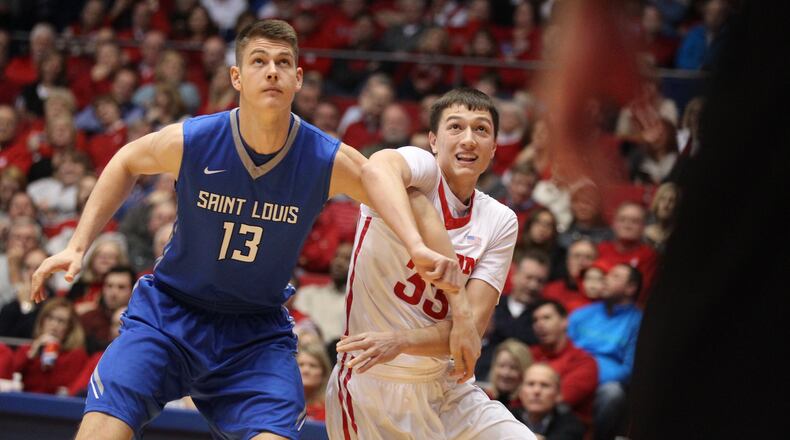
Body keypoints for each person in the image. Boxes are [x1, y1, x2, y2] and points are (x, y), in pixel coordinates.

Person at [31, 20, 459, 440]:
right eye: (258, 61)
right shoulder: (198, 139)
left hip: (254, 334)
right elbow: (126, 159)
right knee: (101, 430)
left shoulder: (324, 158)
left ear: (298, 78)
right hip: (169, 315)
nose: (272, 70)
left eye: (282, 62)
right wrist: (77, 245)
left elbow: (393, 186)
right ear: (236, 76)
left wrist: (417, 246)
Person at [328, 88, 536, 439]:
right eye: (456, 127)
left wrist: (401, 340)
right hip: (374, 385)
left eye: (481, 130)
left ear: (495, 149)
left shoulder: (501, 220)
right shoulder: (420, 170)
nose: (469, 139)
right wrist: (415, 244)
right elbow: (376, 168)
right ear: (433, 141)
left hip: (447, 387)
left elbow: (467, 332)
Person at [568, 264, 643, 440]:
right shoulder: (582, 314)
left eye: (615, 276)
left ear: (630, 288)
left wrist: (591, 377)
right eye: (607, 275)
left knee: (613, 394)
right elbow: (565, 349)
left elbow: (630, 369)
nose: (606, 279)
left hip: (604, 384)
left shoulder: (638, 322)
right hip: (573, 374)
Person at [530, 300, 598, 420]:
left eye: (546, 318)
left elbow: (558, 399)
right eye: (535, 320)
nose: (539, 324)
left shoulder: (584, 362)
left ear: (564, 321)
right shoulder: (529, 354)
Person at [11, 297, 88, 394]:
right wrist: (32, 353)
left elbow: (71, 389)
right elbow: (10, 375)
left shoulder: (76, 355)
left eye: (61, 321)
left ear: (69, 328)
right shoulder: (26, 350)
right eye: (50, 318)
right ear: (42, 321)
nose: (54, 325)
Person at [490, 251, 550, 347]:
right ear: (514, 275)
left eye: (540, 281)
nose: (533, 286)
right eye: (529, 278)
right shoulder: (492, 304)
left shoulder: (545, 315)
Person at [514, 363, 585, 440]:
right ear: (520, 392)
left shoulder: (572, 425)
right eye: (530, 384)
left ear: (558, 394)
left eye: (545, 385)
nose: (536, 391)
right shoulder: (508, 416)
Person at [486, 338, 535, 410]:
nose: (505, 373)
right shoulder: (484, 400)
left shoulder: (531, 408)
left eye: (513, 368)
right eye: (501, 366)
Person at [297, 342, 333, 422]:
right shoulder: (282, 405)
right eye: (301, 365)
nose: (306, 370)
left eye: (313, 365)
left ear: (324, 373)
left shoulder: (332, 410)